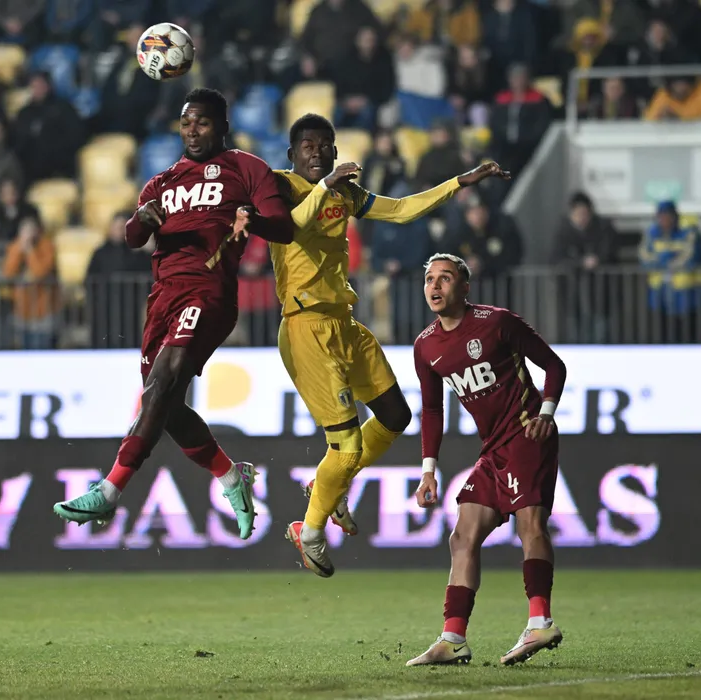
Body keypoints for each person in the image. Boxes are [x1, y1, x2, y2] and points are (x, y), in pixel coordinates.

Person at [269, 114, 509, 577]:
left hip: (344, 323)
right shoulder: (281, 187)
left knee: (396, 416)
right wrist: (325, 186)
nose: (317, 152)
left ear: (335, 151)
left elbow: (400, 209)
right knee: (345, 449)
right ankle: (310, 530)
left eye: (325, 145)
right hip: (304, 327)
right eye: (307, 146)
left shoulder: (345, 193)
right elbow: (290, 228)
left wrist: (459, 182)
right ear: (292, 154)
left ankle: (328, 488)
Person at [53, 88, 294, 538]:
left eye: (202, 122)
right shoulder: (161, 183)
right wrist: (141, 220)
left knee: (162, 384)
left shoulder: (246, 168)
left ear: (222, 126)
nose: (192, 131)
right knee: (163, 403)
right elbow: (132, 237)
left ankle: (110, 490)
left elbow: (284, 226)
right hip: (162, 300)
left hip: (208, 292)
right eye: (186, 123)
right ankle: (232, 477)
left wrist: (253, 221)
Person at [407, 253, 566, 668]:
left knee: (530, 523)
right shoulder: (425, 346)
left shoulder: (497, 323)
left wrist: (547, 413)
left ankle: (540, 622)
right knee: (462, 535)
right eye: (429, 279)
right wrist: (428, 471)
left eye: (445, 278)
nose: (435, 286)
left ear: (465, 287)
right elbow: (432, 410)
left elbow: (553, 365)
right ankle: (453, 639)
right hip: (493, 447)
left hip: (528, 432)